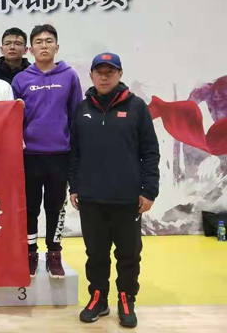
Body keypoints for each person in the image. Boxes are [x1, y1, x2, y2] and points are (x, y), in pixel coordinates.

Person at [69, 53, 160, 328]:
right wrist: (75, 186)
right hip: (91, 198)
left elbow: (150, 151)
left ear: (120, 74)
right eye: (100, 72)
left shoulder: (137, 107)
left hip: (127, 198)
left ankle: (126, 299)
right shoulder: (82, 109)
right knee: (96, 253)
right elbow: (75, 153)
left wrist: (149, 190)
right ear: (92, 76)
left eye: (110, 71)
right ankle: (98, 299)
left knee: (128, 254)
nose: (105, 76)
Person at [12, 24, 82, 279]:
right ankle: (30, 253)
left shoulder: (69, 77)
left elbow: (76, 118)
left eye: (49, 41)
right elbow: (13, 121)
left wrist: (75, 153)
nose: (44, 45)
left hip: (59, 155)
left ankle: (54, 253)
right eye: (39, 41)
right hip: (29, 156)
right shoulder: (20, 80)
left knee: (55, 208)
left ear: (57, 46)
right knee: (30, 208)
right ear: (30, 49)